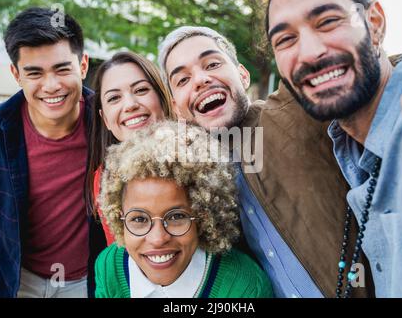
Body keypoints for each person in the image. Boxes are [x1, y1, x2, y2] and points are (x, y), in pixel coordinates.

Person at [157, 25, 402, 297]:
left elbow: (380, 70)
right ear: (177, 107)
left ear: (242, 75)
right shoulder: (192, 175)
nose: (200, 80)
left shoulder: (293, 108)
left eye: (212, 63)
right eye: (182, 80)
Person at [266, 0, 402, 297]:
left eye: (328, 21)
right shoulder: (346, 148)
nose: (309, 53)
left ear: (375, 23)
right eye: (286, 39)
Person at [0, 7, 106, 298]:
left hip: (87, 282)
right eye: (34, 73)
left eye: (62, 69)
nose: (51, 86)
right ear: (16, 74)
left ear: (83, 65)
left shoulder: (109, 124)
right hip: (17, 278)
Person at [95, 121, 274, 298]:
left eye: (176, 217)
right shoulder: (109, 267)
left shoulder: (245, 287)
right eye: (139, 219)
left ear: (204, 217)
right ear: (120, 218)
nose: (158, 239)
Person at [86, 51, 173, 246]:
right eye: (114, 98)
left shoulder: (200, 161)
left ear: (163, 98)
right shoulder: (103, 179)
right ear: (105, 119)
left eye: (141, 90)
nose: (130, 105)